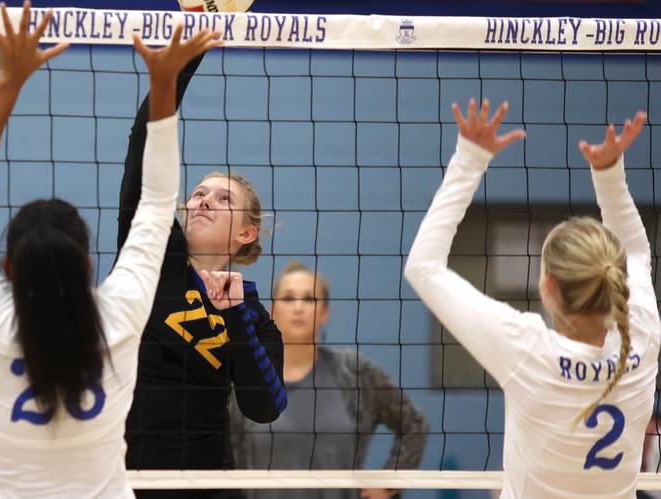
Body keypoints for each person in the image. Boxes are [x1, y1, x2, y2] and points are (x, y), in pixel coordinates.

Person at [0, 0, 220, 498]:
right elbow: (158, 201)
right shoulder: (118, 319)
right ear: (87, 263)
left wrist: (8, 79)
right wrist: (162, 85)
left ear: (8, 267)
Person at [404, 98, 659, 498]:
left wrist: (470, 157)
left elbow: (422, 267)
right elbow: (639, 254)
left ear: (549, 288)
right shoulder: (642, 335)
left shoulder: (528, 349)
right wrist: (609, 177)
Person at [118, 54, 286, 497]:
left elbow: (265, 407)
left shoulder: (254, 315)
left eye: (223, 199)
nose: (204, 201)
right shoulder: (153, 259)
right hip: (127, 481)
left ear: (247, 233)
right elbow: (143, 154)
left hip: (207, 486)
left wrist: (233, 317)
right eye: (197, 193)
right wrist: (180, 64)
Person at [231, 261, 428, 499]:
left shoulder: (356, 373)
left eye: (309, 299)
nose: (298, 307)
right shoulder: (247, 376)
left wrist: (388, 485)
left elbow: (414, 425)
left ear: (325, 312)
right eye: (288, 298)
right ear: (272, 310)